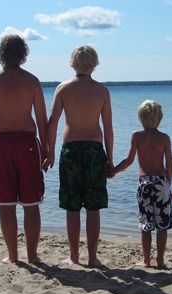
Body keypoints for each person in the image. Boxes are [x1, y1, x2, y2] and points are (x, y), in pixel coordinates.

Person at [0, 35, 48, 264]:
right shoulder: (32, 81)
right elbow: (41, 119)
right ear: (23, 54)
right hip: (28, 143)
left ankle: (13, 256)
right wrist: (47, 148)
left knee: (6, 203)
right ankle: (31, 255)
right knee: (31, 203)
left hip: (2, 143)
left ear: (1, 53)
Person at [45, 45, 113, 267]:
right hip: (94, 150)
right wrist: (110, 158)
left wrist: (50, 152)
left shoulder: (63, 88)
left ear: (73, 63)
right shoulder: (102, 90)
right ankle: (92, 257)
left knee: (72, 207)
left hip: (71, 150)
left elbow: (52, 123)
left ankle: (74, 257)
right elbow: (108, 127)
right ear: (94, 64)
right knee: (93, 208)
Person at [111, 100, 172, 268]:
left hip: (145, 184)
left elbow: (128, 160)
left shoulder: (137, 136)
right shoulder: (164, 138)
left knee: (145, 225)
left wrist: (113, 171)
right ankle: (160, 260)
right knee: (162, 225)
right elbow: (169, 164)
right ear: (159, 118)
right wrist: (168, 184)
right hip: (161, 183)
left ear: (140, 118)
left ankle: (146, 260)